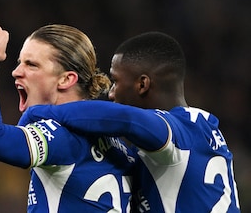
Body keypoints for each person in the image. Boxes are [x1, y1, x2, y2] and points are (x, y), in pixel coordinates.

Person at [20, 31, 241, 212]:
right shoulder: (201, 126)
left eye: (115, 81)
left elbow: (126, 119)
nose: (111, 94)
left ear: (142, 84)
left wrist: (43, 112)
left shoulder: (176, 132)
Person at [0, 24, 138, 212]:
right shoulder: (118, 146)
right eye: (20, 62)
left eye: (31, 64)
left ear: (66, 79)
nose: (16, 71)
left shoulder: (64, 134)